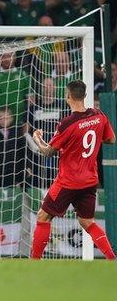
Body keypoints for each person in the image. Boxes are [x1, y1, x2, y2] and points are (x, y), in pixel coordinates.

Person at [30, 80, 116, 260]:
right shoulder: (99, 116)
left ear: (67, 96)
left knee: (43, 217)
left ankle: (34, 261)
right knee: (87, 222)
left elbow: (48, 152)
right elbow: (111, 140)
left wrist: (37, 138)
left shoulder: (67, 124)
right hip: (90, 181)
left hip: (68, 182)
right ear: (85, 96)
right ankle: (111, 259)